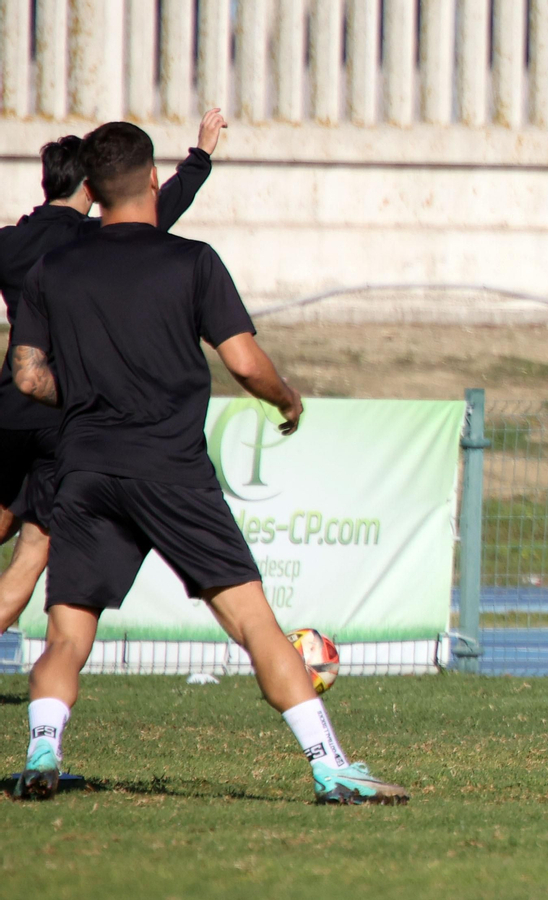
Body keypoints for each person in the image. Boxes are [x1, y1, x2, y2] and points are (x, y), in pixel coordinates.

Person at [7, 121, 407, 804]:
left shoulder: (54, 269)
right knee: (254, 623)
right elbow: (245, 362)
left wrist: (89, 394)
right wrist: (288, 400)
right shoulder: (191, 261)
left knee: (68, 631)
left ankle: (42, 750)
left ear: (92, 191)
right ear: (155, 180)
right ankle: (329, 764)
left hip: (85, 470)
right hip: (170, 469)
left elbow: (26, 373)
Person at [0, 109, 226, 639]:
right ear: (90, 187)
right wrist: (201, 156)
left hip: (9, 405)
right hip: (66, 413)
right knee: (32, 552)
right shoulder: (89, 243)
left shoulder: (9, 244)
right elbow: (161, 205)